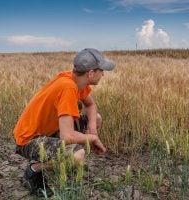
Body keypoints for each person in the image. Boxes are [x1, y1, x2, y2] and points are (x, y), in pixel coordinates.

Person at [13, 48, 115, 195]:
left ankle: (65, 158)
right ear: (91, 73)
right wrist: (92, 138)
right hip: (28, 140)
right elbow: (67, 136)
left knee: (96, 118)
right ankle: (33, 171)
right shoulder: (68, 87)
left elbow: (91, 106)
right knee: (77, 156)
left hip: (50, 131)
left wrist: (92, 128)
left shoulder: (75, 78)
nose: (104, 74)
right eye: (101, 70)